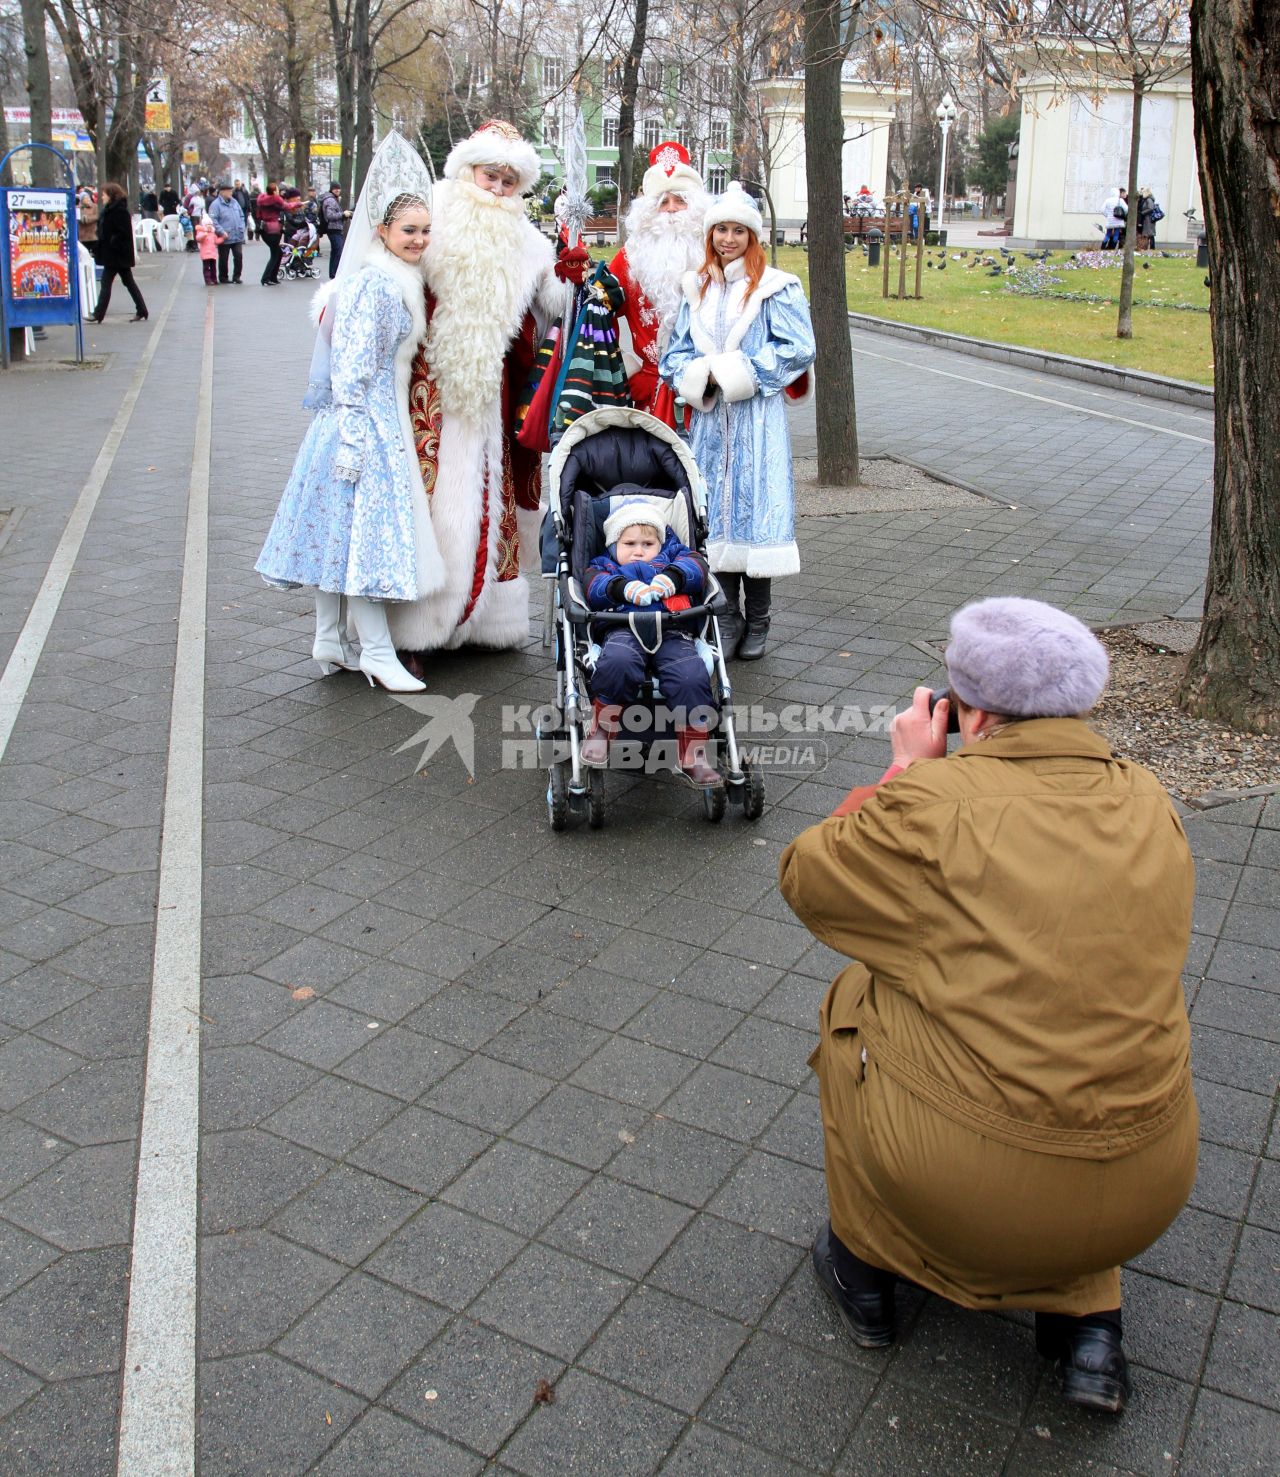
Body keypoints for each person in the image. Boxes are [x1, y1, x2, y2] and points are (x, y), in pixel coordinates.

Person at [780, 597, 1198, 1416]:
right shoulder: (1151, 798)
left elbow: (808, 876)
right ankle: (1088, 1321)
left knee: (854, 998)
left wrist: (907, 772)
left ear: (969, 711)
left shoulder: (930, 806)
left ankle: (864, 1271)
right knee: (1084, 1033)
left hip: (966, 1187)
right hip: (1152, 1183)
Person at [255, 176, 443, 693]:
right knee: (366, 540)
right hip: (361, 422)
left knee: (341, 534)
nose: (419, 239)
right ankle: (378, 654)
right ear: (381, 230)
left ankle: (331, 639)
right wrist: (357, 438)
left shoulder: (389, 278)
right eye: (409, 230)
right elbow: (352, 368)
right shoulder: (376, 284)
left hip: (368, 419)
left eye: (426, 230)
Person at [386, 119, 563, 664]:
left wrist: (572, 279)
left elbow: (553, 309)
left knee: (489, 502)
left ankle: (487, 621)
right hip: (426, 393)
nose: (499, 189)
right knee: (427, 505)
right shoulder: (430, 219)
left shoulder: (530, 243)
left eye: (511, 182)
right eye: (491, 176)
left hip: (490, 398)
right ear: (467, 170)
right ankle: (412, 629)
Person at [659, 182, 815, 661]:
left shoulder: (776, 287)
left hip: (756, 422)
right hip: (709, 425)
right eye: (721, 229)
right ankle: (727, 618)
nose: (728, 238)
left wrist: (739, 373)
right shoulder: (697, 288)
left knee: (756, 516)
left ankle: (761, 619)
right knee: (716, 518)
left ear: (753, 235)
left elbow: (799, 347)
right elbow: (675, 355)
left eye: (737, 230)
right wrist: (699, 376)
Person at [581, 497, 721, 788]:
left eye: (648, 544)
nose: (638, 552)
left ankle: (694, 752)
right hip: (622, 630)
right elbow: (592, 588)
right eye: (629, 544)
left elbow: (697, 567)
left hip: (673, 631)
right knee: (617, 663)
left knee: (691, 676)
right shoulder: (603, 565)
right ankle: (602, 730)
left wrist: (673, 578)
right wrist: (620, 588)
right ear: (613, 544)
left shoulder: (675, 556)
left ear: (661, 543)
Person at [607, 141, 709, 428]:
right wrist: (625, 369)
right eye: (663, 202)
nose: (672, 210)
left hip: (707, 394)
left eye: (680, 200)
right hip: (650, 396)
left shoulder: (714, 255)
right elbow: (599, 319)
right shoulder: (629, 259)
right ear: (648, 211)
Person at [90, 183, 148, 323]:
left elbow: (123, 234)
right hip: (115, 255)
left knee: (106, 282)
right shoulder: (110, 210)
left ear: (111, 195)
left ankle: (98, 314)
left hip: (117, 254)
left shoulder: (119, 211)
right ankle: (142, 310)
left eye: (104, 194)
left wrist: (112, 243)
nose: (102, 197)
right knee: (128, 282)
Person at [209, 182, 246, 284]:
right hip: (225, 236)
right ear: (222, 192)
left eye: (231, 191)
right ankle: (223, 277)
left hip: (237, 235)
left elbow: (242, 216)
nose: (231, 193)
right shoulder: (215, 205)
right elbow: (213, 220)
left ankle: (237, 277)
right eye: (229, 191)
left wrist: (241, 227)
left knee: (238, 256)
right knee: (224, 258)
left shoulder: (234, 202)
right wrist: (221, 231)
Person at [256, 181, 290, 284]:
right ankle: (266, 278)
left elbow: (258, 214)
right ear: (275, 191)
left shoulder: (262, 199)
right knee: (275, 254)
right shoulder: (275, 199)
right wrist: (299, 203)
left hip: (266, 229)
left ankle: (272, 277)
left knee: (278, 253)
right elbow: (287, 206)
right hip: (272, 230)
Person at [321, 182, 348, 278]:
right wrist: (343, 214)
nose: (338, 190)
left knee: (335, 252)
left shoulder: (332, 199)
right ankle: (335, 274)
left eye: (339, 188)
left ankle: (333, 274)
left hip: (333, 228)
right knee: (339, 251)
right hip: (334, 228)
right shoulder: (331, 200)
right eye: (335, 188)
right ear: (331, 189)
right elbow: (330, 215)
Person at [194, 212, 219, 284]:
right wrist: (204, 235)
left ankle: (214, 279)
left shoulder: (212, 233)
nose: (209, 226)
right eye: (208, 224)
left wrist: (222, 239)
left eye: (211, 224)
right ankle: (208, 280)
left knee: (213, 268)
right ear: (204, 225)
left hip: (213, 254)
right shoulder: (201, 232)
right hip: (205, 254)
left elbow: (216, 241)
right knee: (206, 267)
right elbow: (198, 239)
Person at [77, 188, 98, 258]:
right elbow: (78, 217)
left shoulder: (94, 207)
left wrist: (87, 219)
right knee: (84, 255)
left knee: (94, 255)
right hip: (83, 237)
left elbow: (97, 216)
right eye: (85, 198)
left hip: (93, 235)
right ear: (82, 200)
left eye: (87, 197)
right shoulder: (78, 208)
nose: (87, 199)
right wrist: (82, 219)